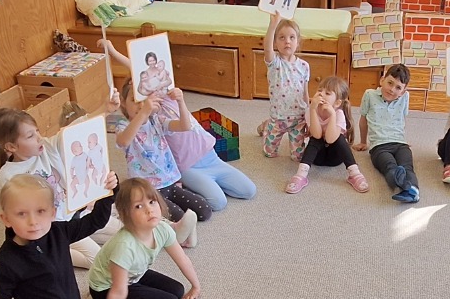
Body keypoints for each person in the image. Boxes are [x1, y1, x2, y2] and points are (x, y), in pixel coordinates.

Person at [101, 39, 254, 210]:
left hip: (209, 156)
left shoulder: (169, 94)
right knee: (218, 203)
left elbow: (185, 124)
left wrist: (180, 100)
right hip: (187, 166)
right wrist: (113, 52)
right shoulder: (151, 113)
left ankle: (204, 185)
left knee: (249, 191)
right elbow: (136, 69)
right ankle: (189, 184)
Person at [0, 107, 120, 269]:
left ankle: (59, 248)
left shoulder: (48, 147)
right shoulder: (7, 176)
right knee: (97, 261)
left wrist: (105, 108)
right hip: (52, 230)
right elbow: (12, 217)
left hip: (76, 215)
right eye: (30, 136)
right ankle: (53, 251)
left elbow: (76, 129)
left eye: (37, 131)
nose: (39, 138)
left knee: (121, 230)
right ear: (11, 147)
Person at [110, 80, 213, 248]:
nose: (141, 105)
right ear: (123, 102)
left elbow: (185, 126)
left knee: (204, 210)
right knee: (178, 217)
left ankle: (186, 232)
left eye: (145, 101)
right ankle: (182, 236)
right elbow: (123, 141)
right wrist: (144, 112)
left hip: (170, 182)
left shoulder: (156, 120)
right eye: (135, 100)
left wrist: (180, 101)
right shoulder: (123, 126)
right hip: (149, 190)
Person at [89, 178, 203, 299]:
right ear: (125, 215)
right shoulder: (125, 246)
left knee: (178, 290)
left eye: (152, 202)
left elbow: (182, 260)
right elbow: (118, 291)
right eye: (138, 206)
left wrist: (196, 286)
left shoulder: (163, 229)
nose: (149, 210)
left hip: (134, 274)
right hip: (106, 288)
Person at [288, 75, 369, 193]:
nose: (321, 94)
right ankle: (301, 175)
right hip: (317, 158)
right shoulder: (311, 111)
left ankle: (355, 174)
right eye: (319, 90)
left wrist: (332, 115)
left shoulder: (339, 114)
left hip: (335, 158)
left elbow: (331, 139)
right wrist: (313, 109)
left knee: (340, 138)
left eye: (327, 93)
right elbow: (316, 135)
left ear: (337, 103)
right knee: (316, 139)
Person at [353, 63, 420, 203]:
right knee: (390, 166)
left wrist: (403, 138)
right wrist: (363, 142)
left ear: (403, 91)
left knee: (408, 167)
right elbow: (363, 120)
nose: (392, 89)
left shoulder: (405, 97)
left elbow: (402, 118)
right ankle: (401, 186)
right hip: (379, 146)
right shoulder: (369, 95)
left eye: (398, 88)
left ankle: (413, 190)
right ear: (382, 80)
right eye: (390, 83)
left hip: (400, 143)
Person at [260, 14, 310, 162]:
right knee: (269, 153)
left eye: (292, 37)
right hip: (278, 118)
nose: (287, 41)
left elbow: (305, 93)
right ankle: (266, 126)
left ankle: (267, 125)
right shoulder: (274, 62)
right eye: (282, 38)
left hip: (298, 119)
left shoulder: (304, 66)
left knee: (298, 157)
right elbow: (267, 49)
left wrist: (309, 117)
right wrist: (273, 24)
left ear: (297, 41)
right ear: (275, 42)